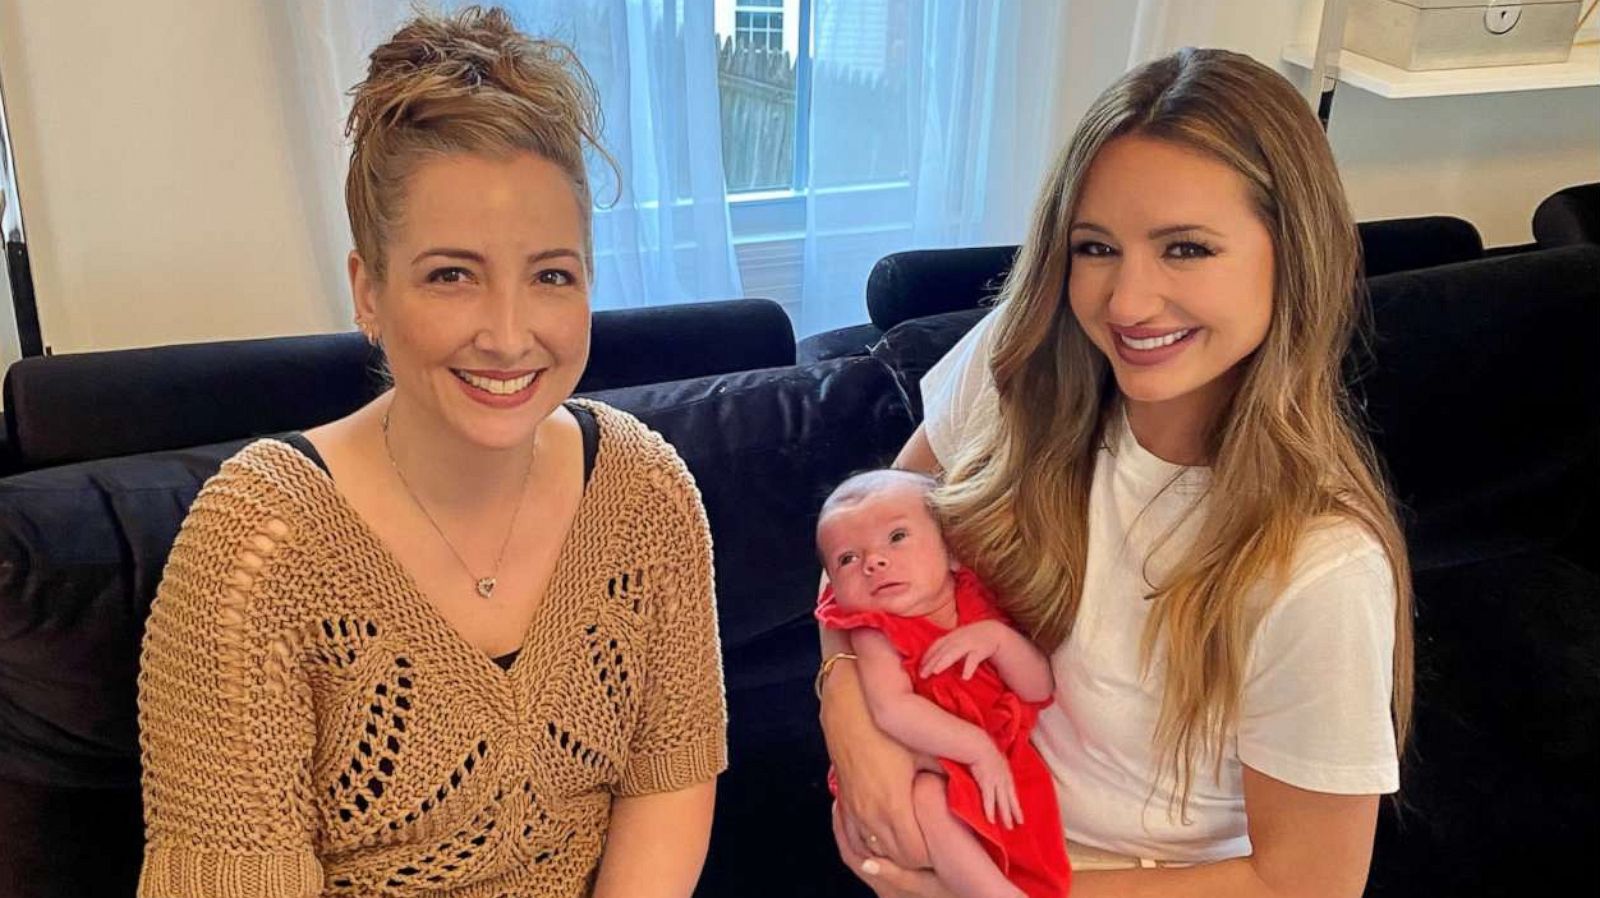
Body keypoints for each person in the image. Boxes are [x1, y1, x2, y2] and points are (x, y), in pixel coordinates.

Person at [135, 8, 726, 898]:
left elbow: (671, 778)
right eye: (452, 274)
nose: (508, 332)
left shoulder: (646, 492)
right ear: (368, 293)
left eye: (551, 275)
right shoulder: (258, 547)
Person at [817, 47, 1412, 898]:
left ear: (1295, 254)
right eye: (1096, 248)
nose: (1127, 304)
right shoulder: (1018, 361)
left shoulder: (1319, 563)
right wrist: (850, 714)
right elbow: (859, 541)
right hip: (964, 816)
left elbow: (1306, 884)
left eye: (1186, 250)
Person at [814, 470, 1070, 898]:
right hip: (923, 764)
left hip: (995, 763)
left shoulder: (979, 600)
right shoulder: (876, 631)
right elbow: (892, 709)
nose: (873, 562)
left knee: (1025, 836)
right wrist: (976, 747)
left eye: (896, 537)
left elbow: (1037, 689)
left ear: (953, 551)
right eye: (847, 559)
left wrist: (999, 641)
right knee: (932, 798)